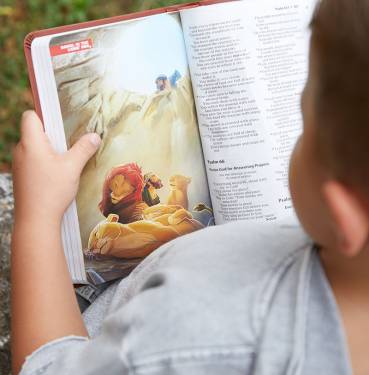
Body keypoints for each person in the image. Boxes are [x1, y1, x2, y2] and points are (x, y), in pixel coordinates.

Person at [11, 0, 369, 373]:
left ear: (341, 212)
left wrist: (38, 219)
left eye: (302, 122)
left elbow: (45, 368)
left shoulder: (185, 336)